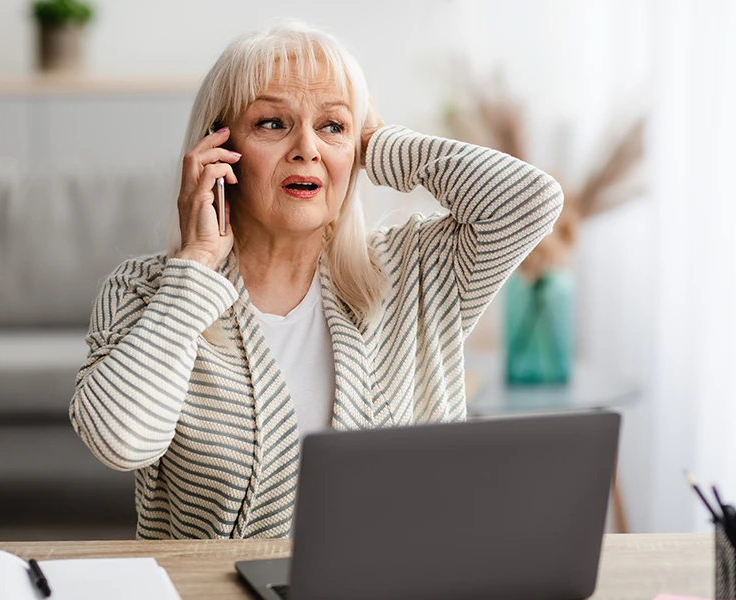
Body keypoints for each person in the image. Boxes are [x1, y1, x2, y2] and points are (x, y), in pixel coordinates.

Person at [69, 20, 564, 540]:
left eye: (331, 127)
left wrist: (376, 141)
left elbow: (531, 202)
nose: (307, 148)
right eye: (271, 123)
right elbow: (119, 441)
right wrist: (195, 267)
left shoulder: (416, 271)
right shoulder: (147, 291)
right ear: (219, 150)